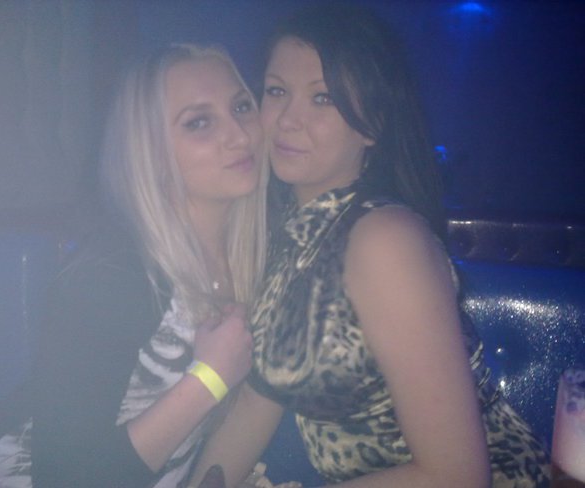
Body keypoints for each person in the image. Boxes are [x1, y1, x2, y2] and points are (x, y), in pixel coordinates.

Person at [189, 4, 551, 487]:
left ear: (372, 125)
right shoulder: (290, 237)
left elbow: (456, 476)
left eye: (322, 98)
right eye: (277, 91)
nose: (288, 120)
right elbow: (258, 400)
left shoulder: (384, 239)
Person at [0, 42, 269, 488]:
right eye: (199, 122)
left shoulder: (255, 257)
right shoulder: (113, 276)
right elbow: (67, 478)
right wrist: (211, 378)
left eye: (241, 106)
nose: (239, 135)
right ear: (152, 152)